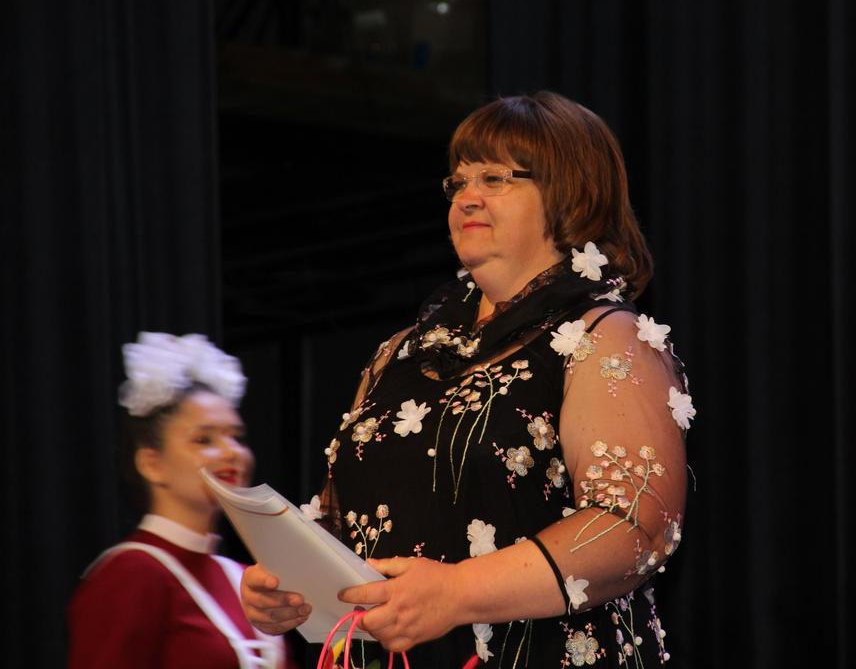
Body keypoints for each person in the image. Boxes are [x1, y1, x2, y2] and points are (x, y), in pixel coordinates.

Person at [242, 91, 695, 667]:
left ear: (571, 193)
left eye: (495, 178)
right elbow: (344, 523)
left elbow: (633, 527)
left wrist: (457, 593)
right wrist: (293, 581)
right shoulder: (399, 353)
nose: (467, 196)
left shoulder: (606, 336)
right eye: (458, 182)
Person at [67, 332, 291, 669]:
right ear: (151, 464)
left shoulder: (244, 577)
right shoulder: (130, 573)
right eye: (204, 439)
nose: (232, 452)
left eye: (236, 437)